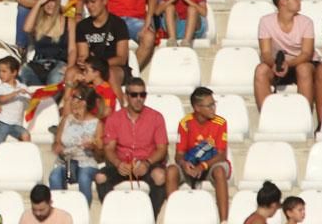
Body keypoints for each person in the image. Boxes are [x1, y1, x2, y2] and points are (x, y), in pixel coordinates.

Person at [94, 77, 169, 215]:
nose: (139, 98)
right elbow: (109, 148)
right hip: (122, 164)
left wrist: (147, 163)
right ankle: (112, 215)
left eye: (142, 94)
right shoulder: (114, 118)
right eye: (134, 95)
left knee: (160, 176)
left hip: (147, 163)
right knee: (100, 177)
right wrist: (118, 164)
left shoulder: (156, 117)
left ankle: (151, 216)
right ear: (127, 96)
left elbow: (162, 149)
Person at [164, 86, 230, 221]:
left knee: (219, 172)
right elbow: (179, 154)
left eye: (214, 104)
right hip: (191, 163)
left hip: (212, 163)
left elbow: (221, 154)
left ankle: (224, 220)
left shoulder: (220, 123)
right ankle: (174, 217)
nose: (213, 108)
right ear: (197, 107)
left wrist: (203, 166)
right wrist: (184, 164)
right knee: (171, 170)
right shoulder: (185, 123)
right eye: (209, 105)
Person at [256, 0, 320, 112]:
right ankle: (266, 116)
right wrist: (275, 64)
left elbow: (306, 54)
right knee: (260, 70)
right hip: (279, 63)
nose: (299, 0)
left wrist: (288, 64)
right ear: (283, 2)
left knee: (303, 69)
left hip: (302, 62)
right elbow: (266, 53)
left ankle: (305, 115)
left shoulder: (306, 22)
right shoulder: (265, 21)